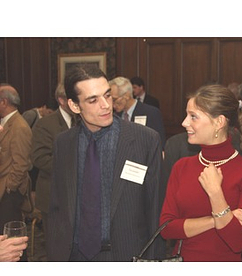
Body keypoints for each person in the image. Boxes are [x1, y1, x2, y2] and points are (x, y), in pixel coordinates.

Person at [47, 64, 165, 261]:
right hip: (74, 256)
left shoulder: (145, 140)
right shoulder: (64, 143)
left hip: (126, 255)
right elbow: (56, 208)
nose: (106, 105)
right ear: (75, 106)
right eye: (93, 100)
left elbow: (156, 213)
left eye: (107, 95)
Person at [159, 84, 242, 262]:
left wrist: (215, 192)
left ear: (219, 122)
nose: (184, 123)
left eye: (193, 116)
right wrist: (220, 218)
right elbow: (167, 228)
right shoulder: (181, 166)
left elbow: (237, 242)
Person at [31, 83, 75, 257]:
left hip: (78, 196)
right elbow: (39, 158)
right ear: (62, 100)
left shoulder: (82, 120)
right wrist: (74, 166)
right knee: (56, 247)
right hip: (53, 195)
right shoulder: (45, 124)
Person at [0, 83, 32, 262]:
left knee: (14, 242)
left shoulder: (19, 126)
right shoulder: (6, 123)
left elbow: (21, 164)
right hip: (4, 191)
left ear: (4, 102)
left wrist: (10, 189)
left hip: (10, 194)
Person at [110, 76, 166, 149]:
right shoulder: (114, 116)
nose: (111, 103)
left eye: (114, 99)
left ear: (126, 96)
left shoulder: (151, 113)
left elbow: (159, 144)